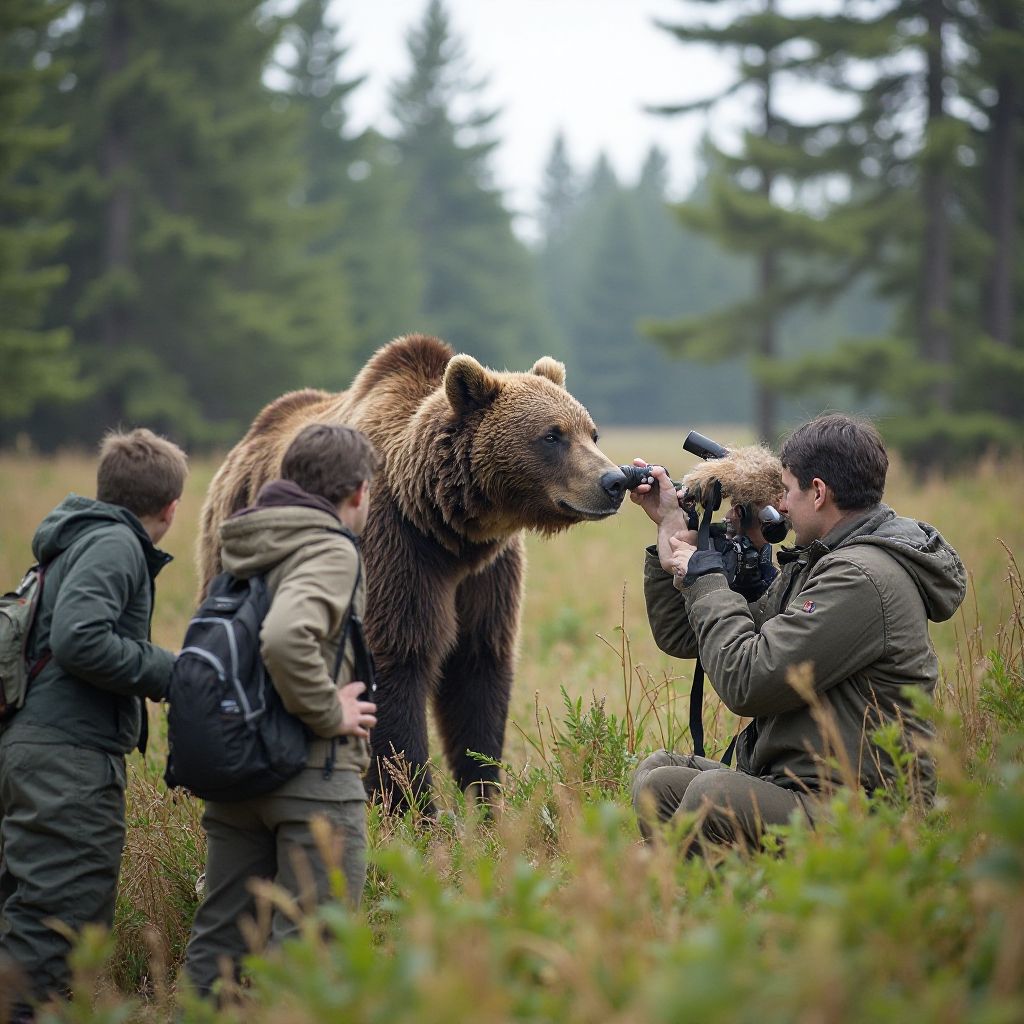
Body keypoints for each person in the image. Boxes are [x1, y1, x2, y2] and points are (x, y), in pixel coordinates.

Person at [630, 414, 966, 852]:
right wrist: (672, 535)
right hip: (803, 784)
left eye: (786, 491)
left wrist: (705, 578)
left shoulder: (861, 578)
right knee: (659, 780)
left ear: (820, 492)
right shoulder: (822, 562)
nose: (781, 508)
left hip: (866, 810)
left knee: (713, 797)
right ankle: (701, 898)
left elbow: (746, 682)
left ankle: (740, 908)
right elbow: (685, 635)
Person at [183, 423, 380, 998]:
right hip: (312, 782)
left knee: (219, 939)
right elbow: (287, 636)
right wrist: (328, 712)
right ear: (359, 493)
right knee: (310, 944)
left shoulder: (245, 541)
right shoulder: (329, 548)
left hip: (239, 772)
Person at [0, 428, 188, 1015]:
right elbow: (79, 639)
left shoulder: (76, 540)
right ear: (171, 507)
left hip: (38, 748)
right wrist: (173, 673)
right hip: (68, 765)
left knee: (30, 915)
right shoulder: (115, 545)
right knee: (56, 930)